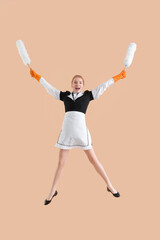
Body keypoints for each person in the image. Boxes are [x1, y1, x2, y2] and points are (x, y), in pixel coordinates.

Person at [30, 67, 127, 205]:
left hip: (81, 133)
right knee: (61, 163)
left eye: (80, 82)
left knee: (94, 160)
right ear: (72, 84)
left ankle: (110, 185)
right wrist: (37, 77)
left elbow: (103, 86)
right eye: (75, 82)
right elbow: (49, 88)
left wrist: (117, 77)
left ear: (83, 85)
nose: (77, 84)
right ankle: (52, 191)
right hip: (67, 133)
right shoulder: (64, 96)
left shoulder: (88, 95)